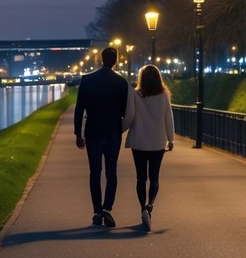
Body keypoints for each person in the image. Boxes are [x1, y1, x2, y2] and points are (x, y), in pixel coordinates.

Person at [73, 46, 134, 228]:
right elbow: (125, 111)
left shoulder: (87, 80)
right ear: (115, 61)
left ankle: (96, 211)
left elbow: (79, 109)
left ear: (101, 59)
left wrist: (78, 133)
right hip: (113, 132)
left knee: (95, 173)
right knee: (111, 172)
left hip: (93, 132)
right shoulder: (121, 83)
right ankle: (107, 208)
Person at [125, 63, 175, 231]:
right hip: (157, 142)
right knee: (154, 178)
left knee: (141, 178)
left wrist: (119, 129)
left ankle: (141, 209)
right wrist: (171, 139)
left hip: (138, 141)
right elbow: (169, 117)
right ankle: (150, 206)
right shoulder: (163, 96)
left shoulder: (135, 95)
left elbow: (130, 116)